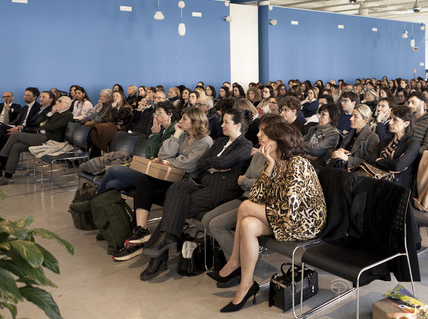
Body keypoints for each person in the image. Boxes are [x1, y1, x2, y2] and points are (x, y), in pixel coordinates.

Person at [214, 121, 326, 313]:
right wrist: (270, 166)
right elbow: (256, 195)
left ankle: (234, 262)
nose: (258, 136)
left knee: (246, 206)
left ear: (277, 141)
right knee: (248, 224)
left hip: (304, 222)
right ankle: (246, 284)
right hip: (283, 216)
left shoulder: (298, 164)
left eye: (264, 134)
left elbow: (290, 211)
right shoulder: (275, 162)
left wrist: (261, 205)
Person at [136, 109, 253, 276]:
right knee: (176, 188)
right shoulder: (219, 141)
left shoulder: (245, 145)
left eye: (226, 122)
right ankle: (166, 241)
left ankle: (158, 256)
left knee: (175, 208)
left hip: (221, 191)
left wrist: (215, 164)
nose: (222, 125)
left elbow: (225, 161)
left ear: (238, 125)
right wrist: (214, 165)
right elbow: (202, 163)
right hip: (202, 184)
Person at [126, 108, 213, 272]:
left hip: (190, 183)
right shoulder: (184, 135)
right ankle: (141, 229)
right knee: (145, 180)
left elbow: (189, 164)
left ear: (195, 122)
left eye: (184, 118)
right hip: (174, 178)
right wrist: (176, 134)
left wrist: (170, 161)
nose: (180, 120)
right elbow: (163, 154)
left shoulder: (205, 141)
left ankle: (157, 254)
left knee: (171, 195)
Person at [202, 115, 284, 276]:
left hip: (259, 204)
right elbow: (243, 180)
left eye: (262, 131)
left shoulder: (278, 158)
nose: (258, 134)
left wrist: (248, 181)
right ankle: (237, 261)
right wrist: (249, 182)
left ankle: (237, 266)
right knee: (206, 220)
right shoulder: (259, 153)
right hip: (246, 197)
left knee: (216, 224)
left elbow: (263, 187)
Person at [97, 101, 178, 196]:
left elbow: (157, 153)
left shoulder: (174, 132)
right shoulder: (160, 129)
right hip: (150, 168)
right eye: (155, 113)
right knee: (113, 184)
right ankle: (103, 207)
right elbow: (148, 153)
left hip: (159, 175)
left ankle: (92, 202)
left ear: (170, 114)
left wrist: (155, 134)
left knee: (111, 170)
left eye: (159, 112)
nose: (155, 116)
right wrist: (155, 136)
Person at [0, 96, 73, 186]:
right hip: (40, 135)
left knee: (15, 135)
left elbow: (52, 127)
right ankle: (7, 177)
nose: (57, 102)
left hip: (49, 139)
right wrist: (50, 113)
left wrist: (42, 125)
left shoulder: (68, 115)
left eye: (60, 101)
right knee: (16, 146)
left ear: (66, 106)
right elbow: (38, 121)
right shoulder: (55, 113)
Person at [365, 105, 420, 189]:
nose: (390, 122)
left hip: (397, 186)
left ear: (406, 123)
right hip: (378, 180)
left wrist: (379, 160)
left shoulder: (413, 143)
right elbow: (369, 161)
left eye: (395, 120)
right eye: (390, 118)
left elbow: (398, 165)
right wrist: (390, 163)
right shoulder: (385, 141)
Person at [0, 88, 42, 159]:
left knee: (2, 136)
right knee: (0, 127)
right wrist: (9, 126)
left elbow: (33, 125)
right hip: (15, 126)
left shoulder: (38, 108)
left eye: (28, 95)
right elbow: (18, 121)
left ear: (35, 97)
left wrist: (18, 128)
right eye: (24, 95)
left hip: (26, 130)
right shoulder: (25, 107)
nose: (25, 96)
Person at [327, 104, 379, 169]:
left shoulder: (372, 137)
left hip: (354, 174)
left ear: (365, 120)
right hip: (340, 168)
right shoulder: (349, 135)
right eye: (352, 116)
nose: (351, 119)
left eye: (355, 117)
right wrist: (338, 152)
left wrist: (347, 159)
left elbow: (369, 163)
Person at [87, 90, 133, 158]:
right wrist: (115, 119)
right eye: (114, 96)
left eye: (117, 96)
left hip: (121, 128)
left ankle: (91, 152)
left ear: (122, 97)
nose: (115, 98)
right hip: (112, 125)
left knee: (97, 129)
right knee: (95, 130)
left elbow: (119, 119)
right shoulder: (112, 106)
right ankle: (94, 155)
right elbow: (106, 118)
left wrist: (114, 110)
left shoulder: (127, 108)